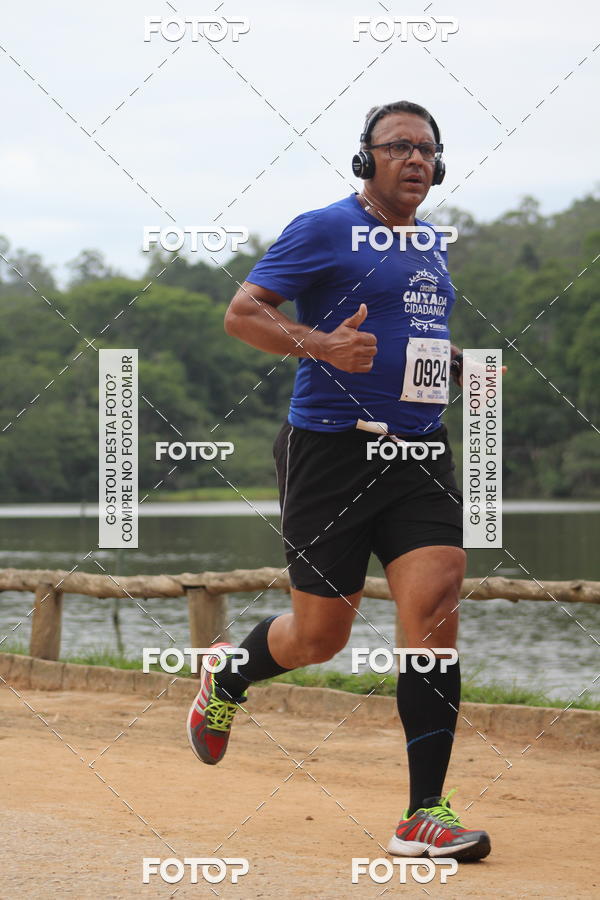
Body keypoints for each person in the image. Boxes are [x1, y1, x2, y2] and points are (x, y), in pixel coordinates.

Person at [187, 100, 490, 861]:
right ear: (368, 158)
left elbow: (407, 337)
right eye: (400, 147)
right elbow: (242, 313)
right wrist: (319, 344)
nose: (416, 160)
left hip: (419, 453)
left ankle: (424, 813)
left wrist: (453, 366)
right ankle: (230, 676)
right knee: (320, 636)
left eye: (427, 150)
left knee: (437, 598)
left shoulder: (430, 246)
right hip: (331, 455)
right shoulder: (323, 227)